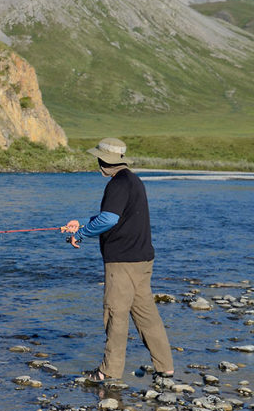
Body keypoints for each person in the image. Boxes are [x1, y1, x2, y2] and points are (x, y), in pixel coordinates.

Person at [61, 137, 174, 384]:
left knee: (115, 313)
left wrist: (80, 234)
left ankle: (109, 370)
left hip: (122, 262)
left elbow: (109, 220)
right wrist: (82, 223)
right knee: (145, 313)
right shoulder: (133, 181)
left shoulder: (117, 184)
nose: (98, 163)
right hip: (142, 259)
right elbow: (115, 217)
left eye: (99, 159)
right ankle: (165, 367)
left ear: (105, 161)